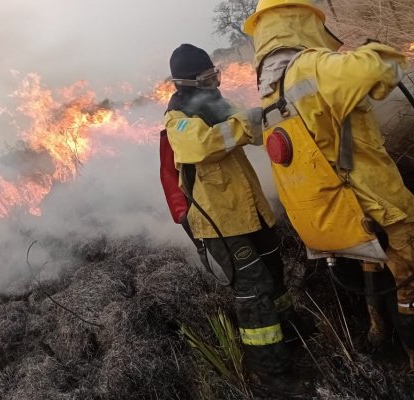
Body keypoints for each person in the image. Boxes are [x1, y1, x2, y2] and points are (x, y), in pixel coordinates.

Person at [243, 0, 414, 369]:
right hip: (378, 202)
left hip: (335, 217)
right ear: (302, 21)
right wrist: (374, 48)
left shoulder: (270, 92)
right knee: (409, 273)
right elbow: (380, 69)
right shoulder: (310, 66)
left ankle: (377, 332)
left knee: (374, 261)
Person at [164, 43, 308, 395]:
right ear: (190, 82)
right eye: (209, 76)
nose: (216, 80)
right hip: (220, 224)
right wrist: (246, 122)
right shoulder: (177, 117)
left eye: (216, 74)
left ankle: (288, 337)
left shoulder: (218, 104)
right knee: (254, 292)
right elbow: (200, 147)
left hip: (251, 212)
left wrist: (282, 109)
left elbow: (254, 131)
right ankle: (270, 374)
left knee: (275, 278)